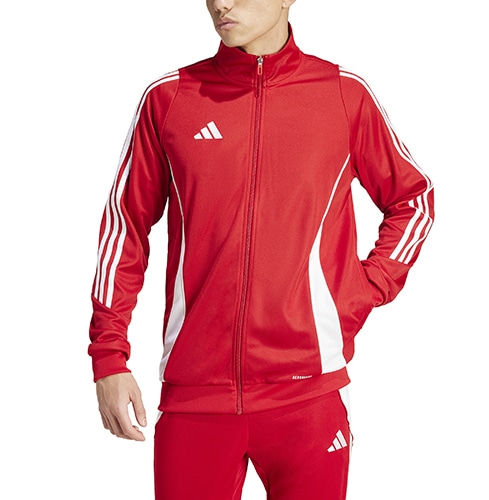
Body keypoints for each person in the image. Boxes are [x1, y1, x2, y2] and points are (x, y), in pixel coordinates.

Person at [88, 1, 434, 498]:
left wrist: (363, 290)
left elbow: (413, 198)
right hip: (195, 399)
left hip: (308, 398)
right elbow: (125, 226)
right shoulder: (170, 98)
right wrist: (110, 357)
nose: (220, 3)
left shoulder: (342, 95)